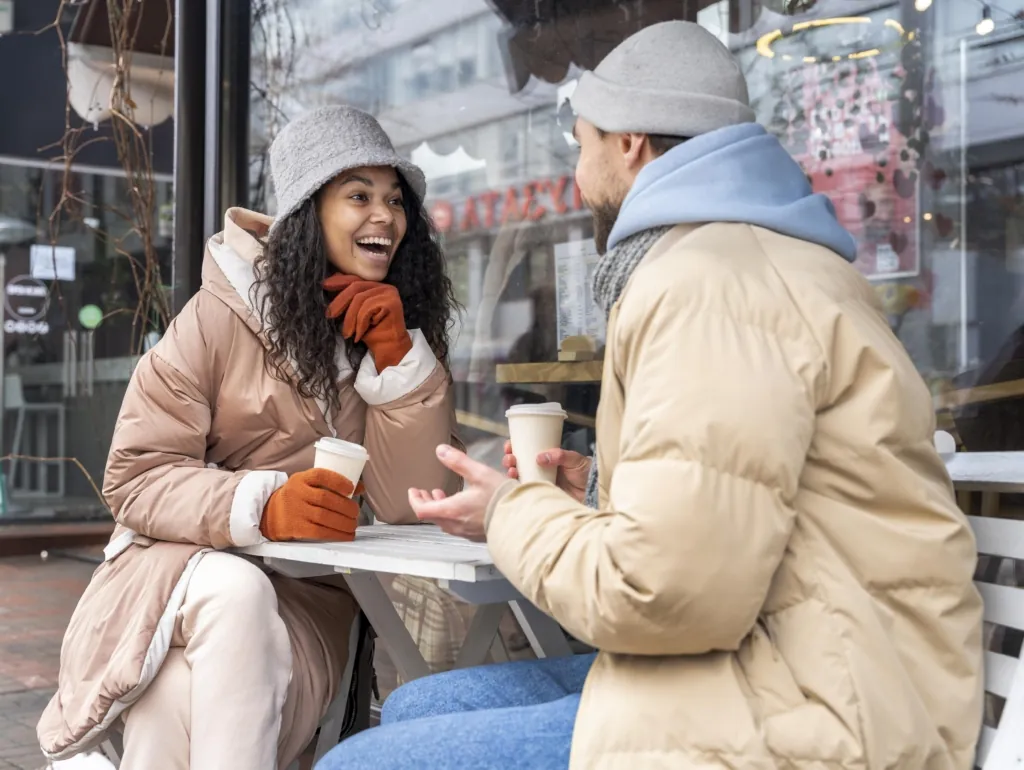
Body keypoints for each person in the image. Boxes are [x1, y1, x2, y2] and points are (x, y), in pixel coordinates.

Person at [318, 21, 984, 770]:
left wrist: (513, 510)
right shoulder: (744, 256)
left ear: (629, 142)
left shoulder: (710, 283)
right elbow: (741, 499)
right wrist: (600, 488)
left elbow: (661, 592)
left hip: (825, 710)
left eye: (582, 142)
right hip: (809, 655)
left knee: (355, 763)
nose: (578, 168)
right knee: (414, 703)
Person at [37, 105, 461, 769]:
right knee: (237, 588)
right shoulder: (212, 321)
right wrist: (262, 505)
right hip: (175, 574)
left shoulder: (388, 331)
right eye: (357, 196)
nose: (385, 216)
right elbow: (135, 477)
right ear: (305, 213)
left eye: (395, 200)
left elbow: (415, 501)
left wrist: (398, 361)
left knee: (173, 695)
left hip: (310, 602)